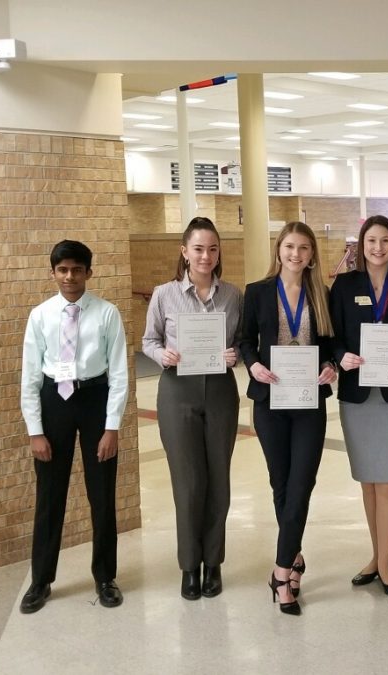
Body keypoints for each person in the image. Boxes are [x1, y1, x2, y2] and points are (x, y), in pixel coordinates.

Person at [19, 240, 128, 614]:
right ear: (53, 273)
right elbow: (30, 375)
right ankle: (41, 580)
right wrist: (35, 430)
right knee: (50, 496)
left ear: (88, 273)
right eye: (62, 270)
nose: (70, 276)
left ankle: (105, 577)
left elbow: (119, 373)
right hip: (55, 403)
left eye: (77, 269)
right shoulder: (41, 316)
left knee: (102, 495)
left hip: (94, 400)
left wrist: (112, 427)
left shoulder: (107, 313)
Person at [239, 222, 338, 616]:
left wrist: (331, 364)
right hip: (271, 398)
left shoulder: (321, 294)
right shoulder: (258, 292)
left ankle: (281, 572)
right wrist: (253, 365)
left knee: (302, 484)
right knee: (280, 484)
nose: (296, 254)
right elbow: (245, 339)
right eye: (289, 247)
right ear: (279, 249)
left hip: (309, 399)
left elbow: (330, 343)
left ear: (312, 254)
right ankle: (294, 557)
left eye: (303, 248)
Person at [142, 216, 243, 601]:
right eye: (198, 248)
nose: (206, 256)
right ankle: (189, 566)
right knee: (188, 483)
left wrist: (235, 355)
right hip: (177, 392)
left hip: (219, 391)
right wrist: (160, 353)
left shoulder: (233, 295)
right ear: (184, 252)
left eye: (213, 249)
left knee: (219, 480)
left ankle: (213, 562)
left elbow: (243, 340)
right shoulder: (164, 294)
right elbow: (148, 339)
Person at [329, 215, 388, 598]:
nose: (378, 248)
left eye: (386, 241)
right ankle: (375, 555)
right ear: (361, 246)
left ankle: (385, 563)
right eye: (371, 241)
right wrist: (341, 357)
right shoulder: (345, 286)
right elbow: (330, 334)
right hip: (357, 396)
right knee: (368, 481)